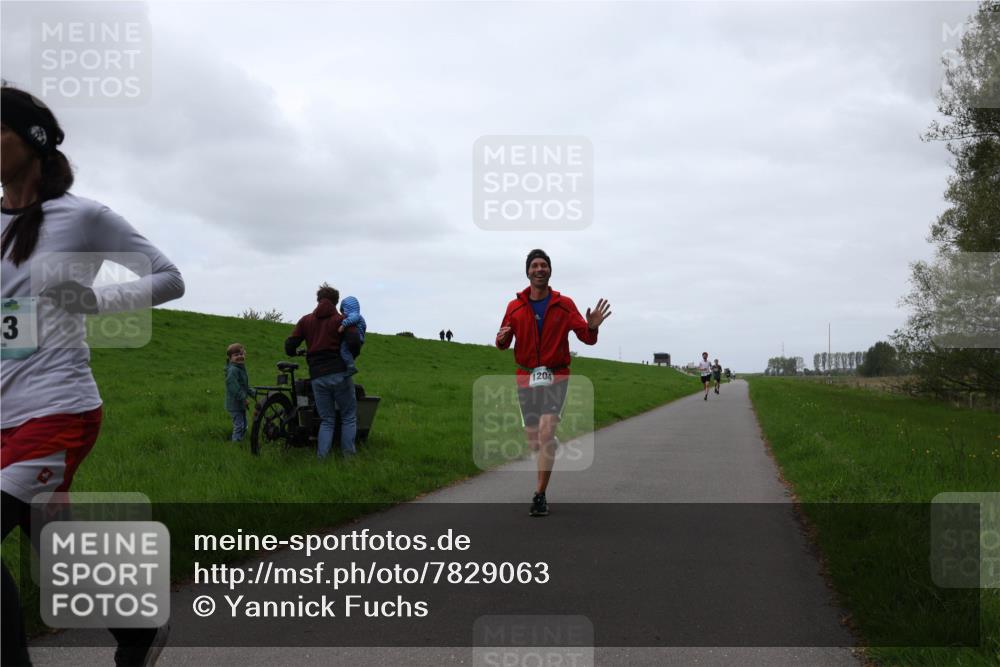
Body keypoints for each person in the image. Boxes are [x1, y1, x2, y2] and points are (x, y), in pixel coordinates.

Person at [1, 84, 184, 667]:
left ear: (32, 142)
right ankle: (138, 631)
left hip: (58, 410)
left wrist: (94, 301)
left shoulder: (82, 217)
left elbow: (169, 277)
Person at [496, 249, 611, 517]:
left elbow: (587, 338)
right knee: (535, 442)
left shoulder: (564, 304)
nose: (539, 269)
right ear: (527, 272)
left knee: (546, 433)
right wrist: (501, 338)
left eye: (544, 265)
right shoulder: (514, 307)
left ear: (549, 271)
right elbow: (502, 343)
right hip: (526, 377)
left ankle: (539, 495)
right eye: (534, 265)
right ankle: (550, 443)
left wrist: (592, 326)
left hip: (556, 375)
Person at [285, 283, 362, 459]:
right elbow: (354, 342)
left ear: (318, 300)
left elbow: (289, 346)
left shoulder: (306, 320)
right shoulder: (342, 319)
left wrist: (298, 351)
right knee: (349, 416)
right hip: (340, 374)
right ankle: (349, 458)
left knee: (327, 420)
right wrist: (351, 357)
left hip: (317, 377)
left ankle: (322, 458)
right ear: (336, 302)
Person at [224, 343, 253, 441]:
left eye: (241, 354)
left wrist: (254, 392)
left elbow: (244, 386)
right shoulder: (233, 370)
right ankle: (235, 444)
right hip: (235, 403)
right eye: (236, 355)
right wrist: (243, 398)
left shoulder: (240, 368)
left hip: (240, 403)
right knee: (239, 426)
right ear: (230, 358)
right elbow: (234, 387)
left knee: (244, 425)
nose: (240, 356)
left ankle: (240, 440)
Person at [337, 296, 366, 376]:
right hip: (359, 338)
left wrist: (343, 325)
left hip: (355, 338)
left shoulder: (355, 315)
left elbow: (352, 319)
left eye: (343, 311)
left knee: (344, 351)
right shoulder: (358, 315)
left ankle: (351, 367)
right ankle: (349, 365)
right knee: (348, 353)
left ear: (347, 308)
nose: (342, 314)